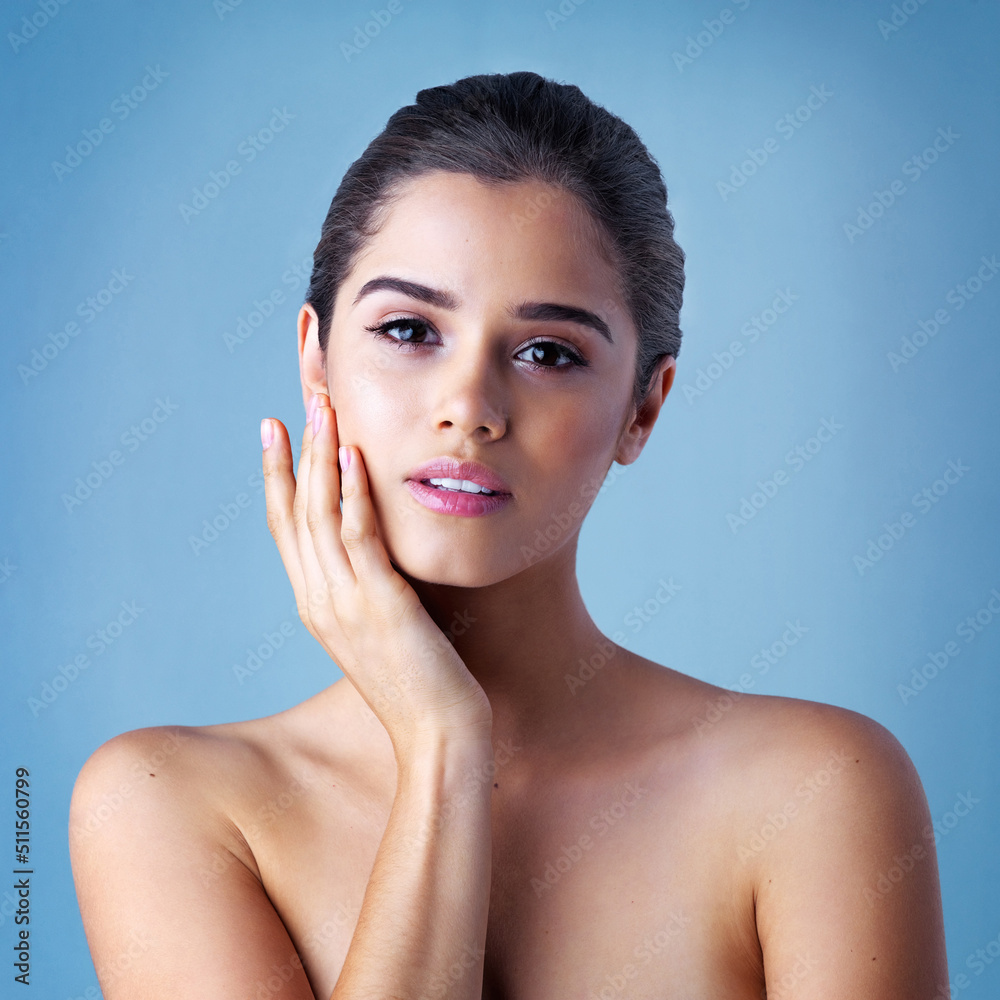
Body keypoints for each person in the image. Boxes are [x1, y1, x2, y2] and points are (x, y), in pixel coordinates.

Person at [69, 71, 949, 999]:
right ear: (315, 361)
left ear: (643, 409)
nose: (469, 410)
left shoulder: (819, 793)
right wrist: (443, 738)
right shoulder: (167, 802)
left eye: (548, 353)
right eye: (409, 329)